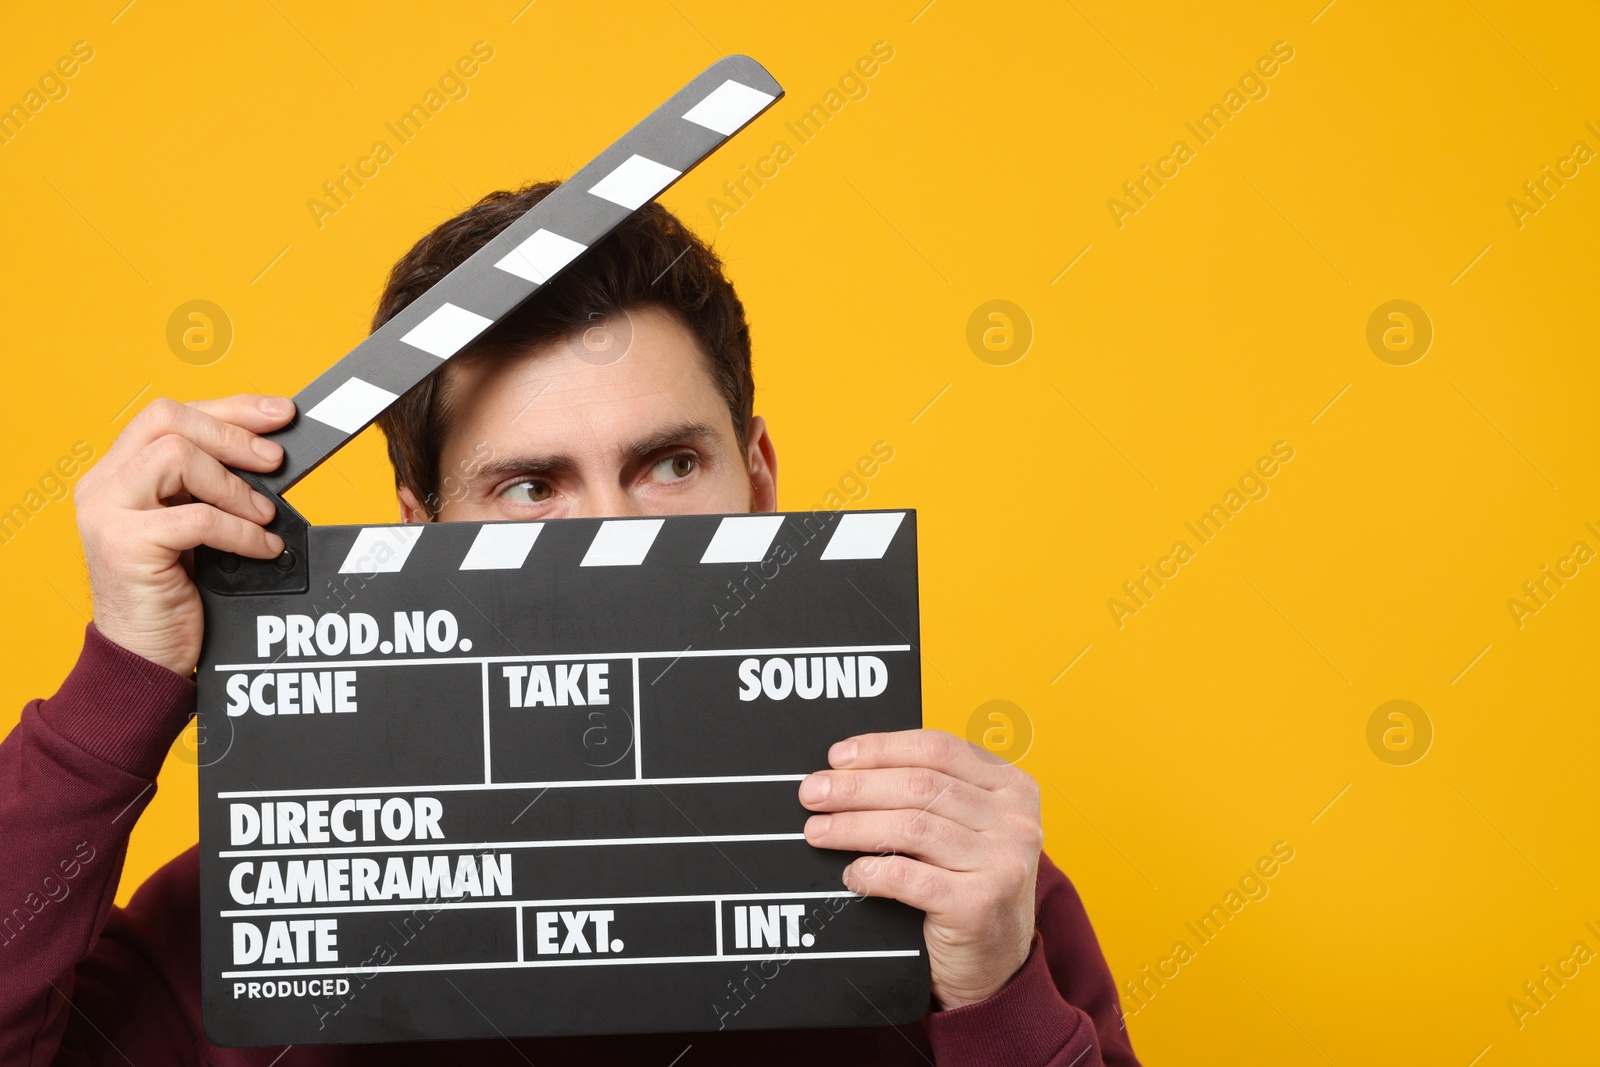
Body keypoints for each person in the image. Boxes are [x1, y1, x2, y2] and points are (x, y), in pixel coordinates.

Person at [0, 183, 1139, 1066]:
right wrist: (124, 677)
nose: (612, 534)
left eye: (668, 464)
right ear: (421, 529)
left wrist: (995, 997)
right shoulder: (259, 901)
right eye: (530, 486)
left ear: (759, 481)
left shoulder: (964, 884)